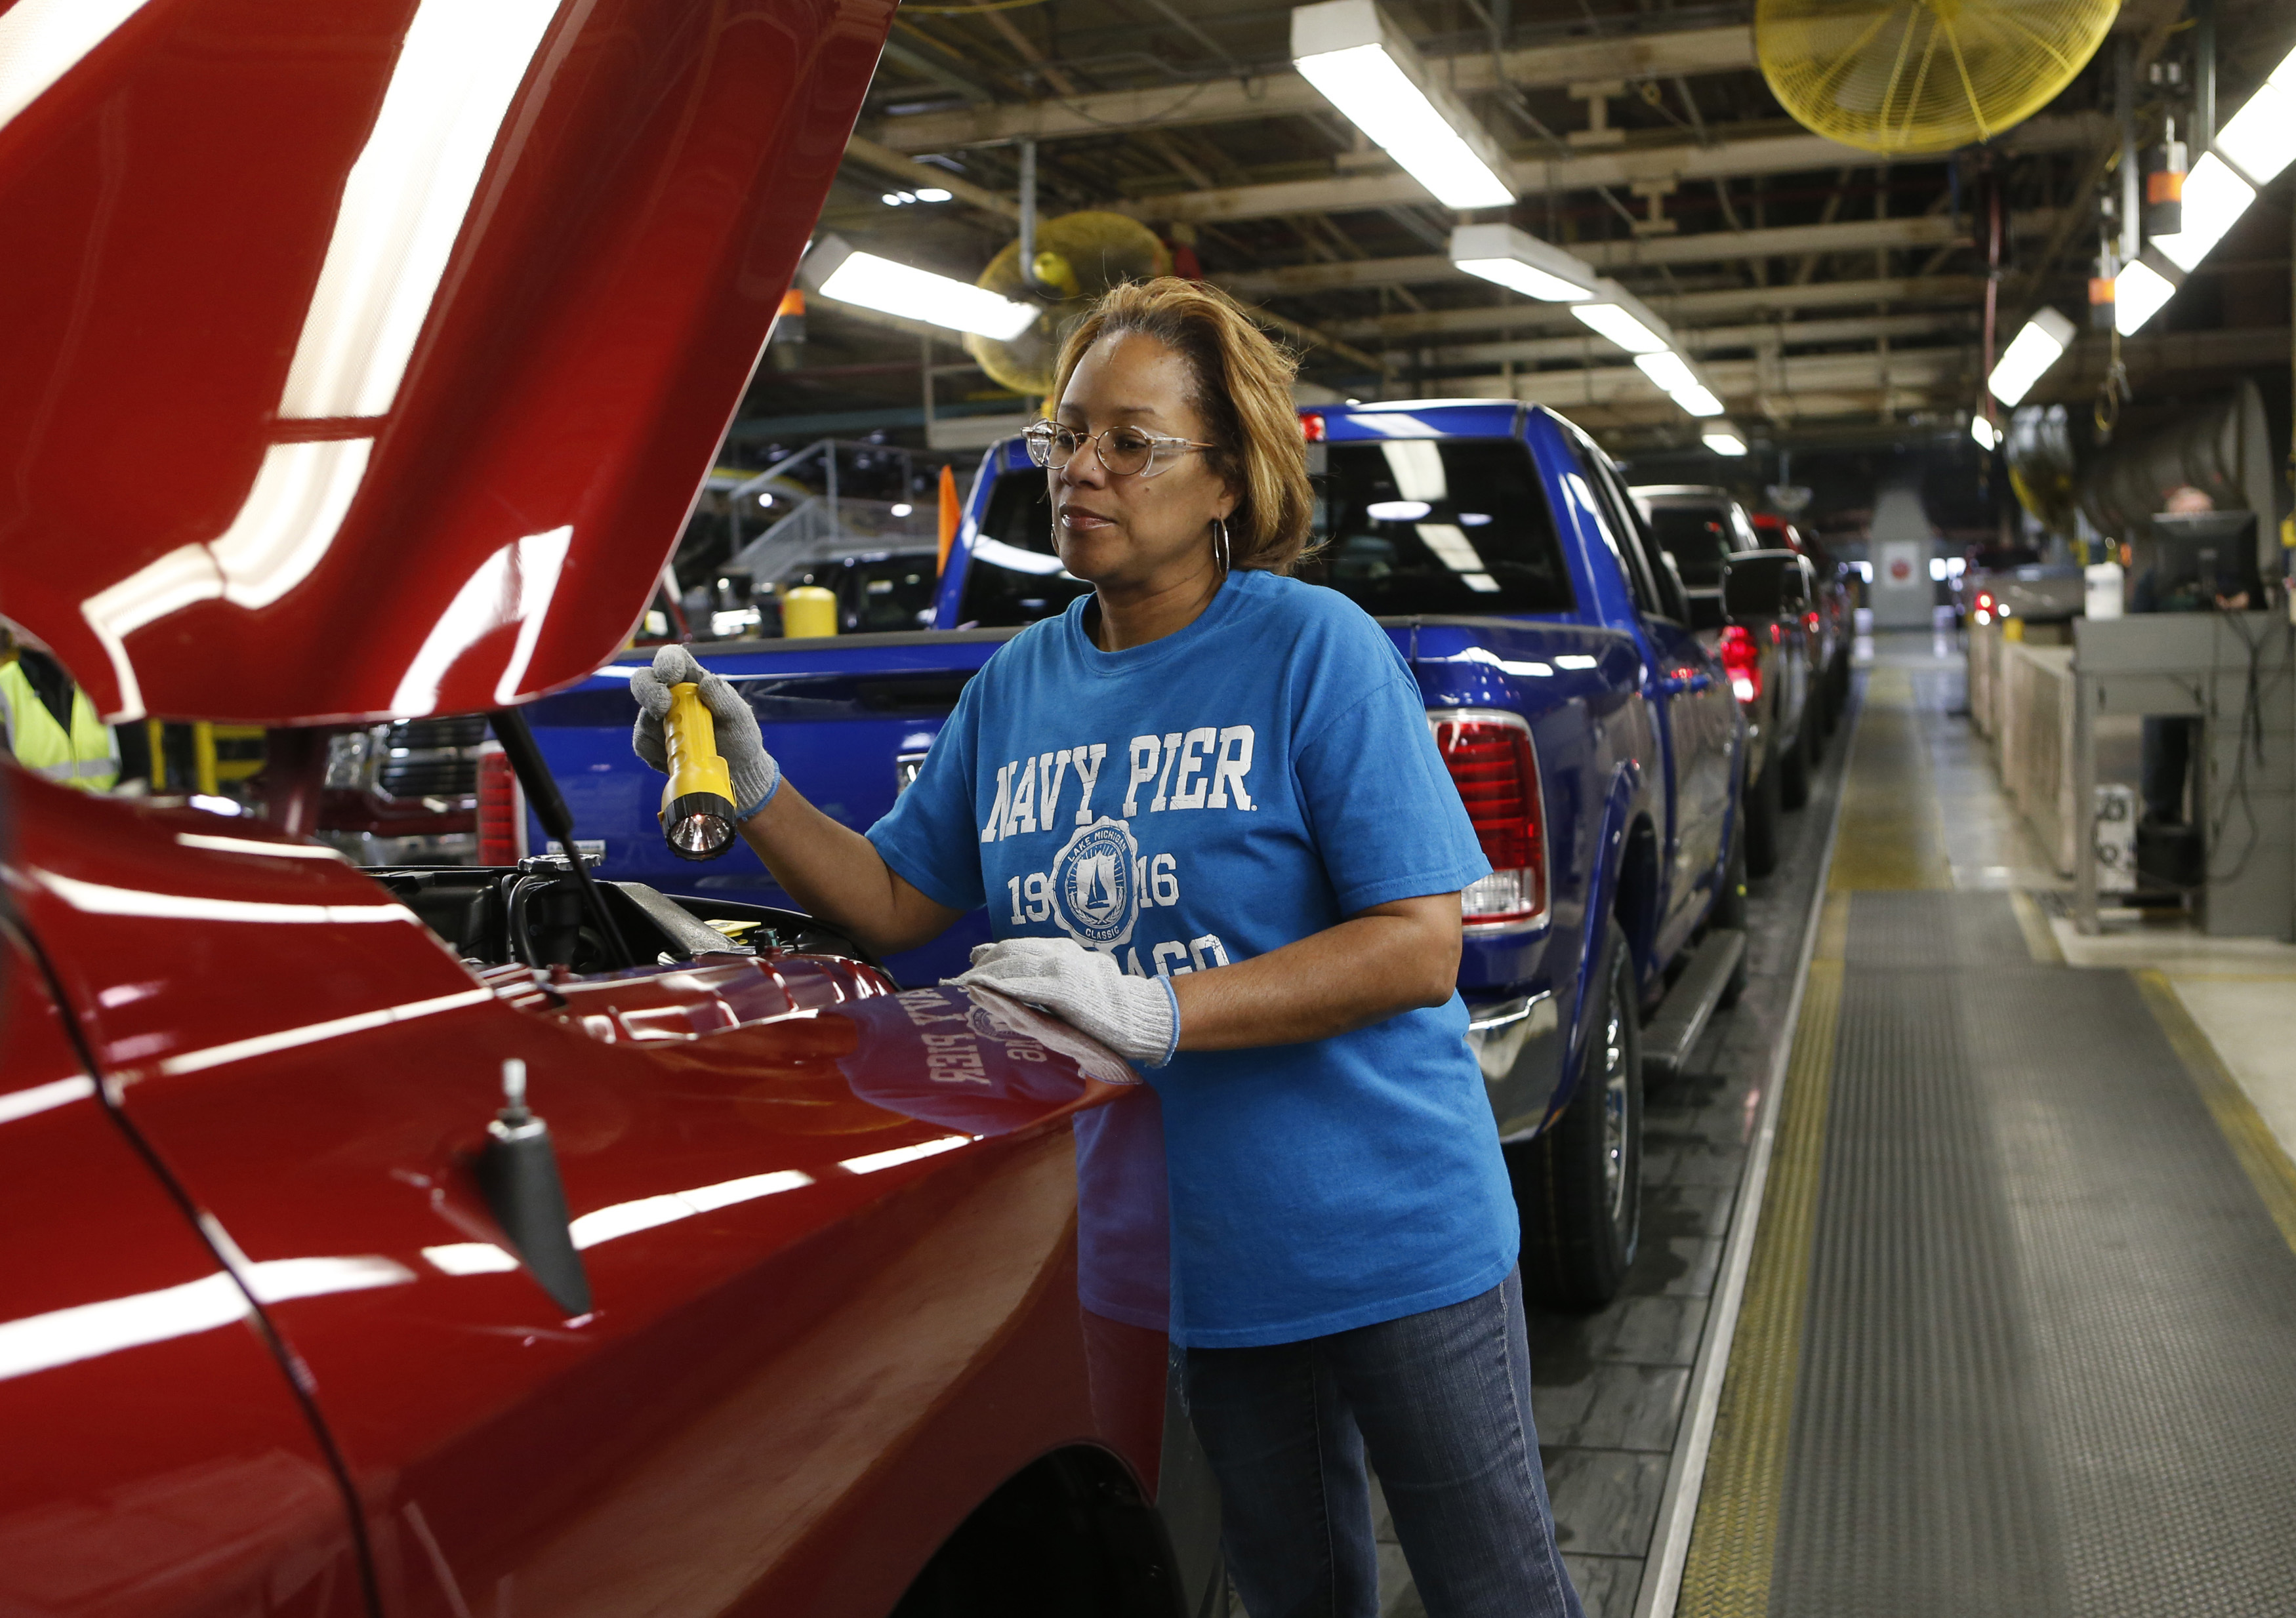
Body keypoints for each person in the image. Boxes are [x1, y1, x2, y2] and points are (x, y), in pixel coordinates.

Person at [630, 278, 1582, 1618]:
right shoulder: (1017, 683)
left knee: (1497, 1595)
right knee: (1294, 1599)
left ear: (1226, 483)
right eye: (1065, 435)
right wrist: (761, 787)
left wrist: (1158, 1010)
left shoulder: (1314, 653)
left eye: (1129, 442)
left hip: (1388, 1234)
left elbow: (1416, 948)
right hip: (1197, 1258)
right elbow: (900, 897)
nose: (1081, 468)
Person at [0, 631, 119, 792]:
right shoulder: (4, 687)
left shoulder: (103, 677)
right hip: (42, 812)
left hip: (108, 809)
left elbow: (138, 765)